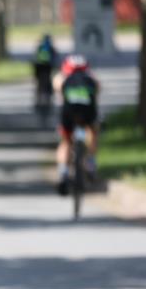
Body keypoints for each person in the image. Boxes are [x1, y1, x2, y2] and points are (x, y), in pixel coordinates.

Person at [55, 54, 100, 196]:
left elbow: (58, 90)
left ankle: (63, 172)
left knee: (65, 141)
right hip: (88, 110)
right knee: (93, 130)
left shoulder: (62, 77)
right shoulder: (90, 77)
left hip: (69, 111)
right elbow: (98, 90)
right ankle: (91, 162)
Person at [33, 34, 58, 109]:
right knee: (48, 81)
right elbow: (55, 57)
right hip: (48, 66)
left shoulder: (40, 47)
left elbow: (36, 56)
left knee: (39, 82)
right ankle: (48, 97)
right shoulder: (51, 47)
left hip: (39, 66)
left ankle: (39, 97)